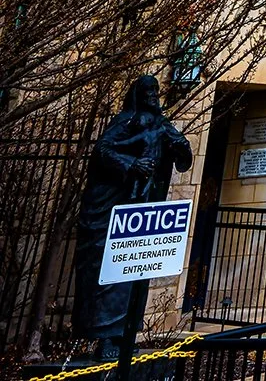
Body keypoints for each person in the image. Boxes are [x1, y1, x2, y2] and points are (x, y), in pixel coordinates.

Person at [73, 75, 193, 352]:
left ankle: (124, 333)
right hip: (112, 206)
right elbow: (102, 150)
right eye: (148, 91)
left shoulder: (162, 125)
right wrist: (132, 164)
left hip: (140, 209)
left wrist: (181, 146)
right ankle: (103, 335)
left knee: (134, 271)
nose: (153, 95)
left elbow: (183, 159)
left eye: (156, 90)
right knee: (108, 269)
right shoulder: (125, 122)